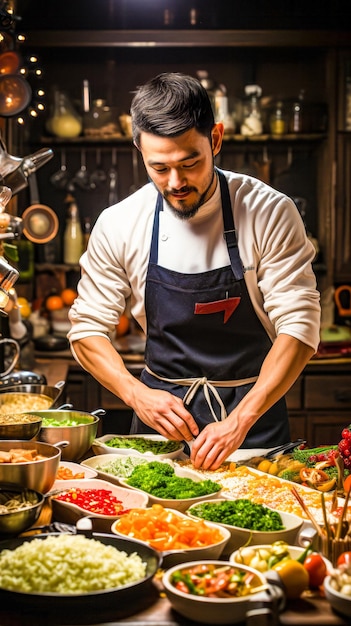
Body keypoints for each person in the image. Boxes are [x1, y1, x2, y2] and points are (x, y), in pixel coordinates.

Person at [68, 72, 320, 470]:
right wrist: (136, 395)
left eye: (190, 163)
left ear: (215, 139)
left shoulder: (270, 211)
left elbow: (300, 328)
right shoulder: (119, 223)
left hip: (254, 426)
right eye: (159, 168)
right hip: (159, 428)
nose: (176, 182)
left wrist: (240, 419)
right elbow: (86, 330)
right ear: (139, 150)